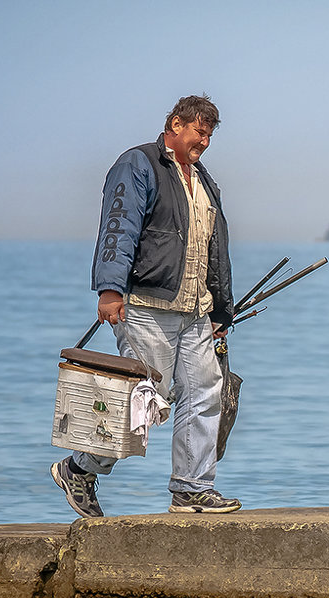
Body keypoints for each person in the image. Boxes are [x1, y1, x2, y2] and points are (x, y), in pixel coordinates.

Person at [51, 94, 240, 517]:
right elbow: (119, 225)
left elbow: (212, 248)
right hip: (145, 304)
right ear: (175, 124)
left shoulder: (204, 181)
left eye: (209, 135)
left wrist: (220, 312)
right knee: (143, 400)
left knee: (205, 393)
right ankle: (80, 469)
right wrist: (110, 289)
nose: (204, 142)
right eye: (199, 132)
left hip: (195, 312)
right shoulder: (138, 165)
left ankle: (192, 488)